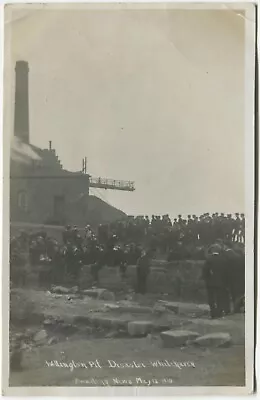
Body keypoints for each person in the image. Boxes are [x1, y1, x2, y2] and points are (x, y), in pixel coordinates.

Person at [202, 244, 229, 318]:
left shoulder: (209, 259)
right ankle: (219, 313)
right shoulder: (224, 259)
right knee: (219, 298)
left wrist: (206, 278)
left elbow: (205, 271)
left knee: (211, 299)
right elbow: (226, 272)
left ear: (212, 250)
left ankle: (213, 314)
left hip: (210, 282)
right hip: (221, 282)